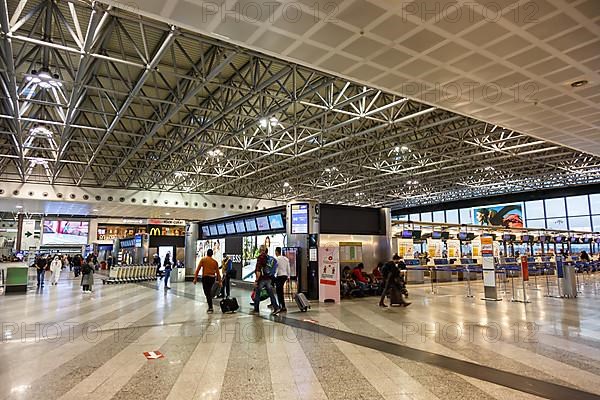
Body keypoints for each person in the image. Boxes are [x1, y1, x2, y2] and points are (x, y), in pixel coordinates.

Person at [251, 245, 281, 315]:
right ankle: (276, 307)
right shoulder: (268, 258)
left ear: (260, 250)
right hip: (268, 278)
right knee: (271, 293)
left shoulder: (260, 258)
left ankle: (256, 309)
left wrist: (256, 280)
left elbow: (258, 270)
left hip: (262, 279)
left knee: (257, 293)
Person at [193, 249, 222, 313]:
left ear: (207, 253)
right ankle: (210, 304)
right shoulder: (214, 262)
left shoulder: (203, 260)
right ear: (212, 254)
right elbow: (218, 273)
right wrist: (220, 281)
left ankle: (210, 307)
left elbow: (197, 270)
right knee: (208, 292)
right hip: (212, 278)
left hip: (205, 278)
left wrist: (195, 278)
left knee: (207, 292)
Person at [274, 247, 290, 312]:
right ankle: (282, 305)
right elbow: (288, 268)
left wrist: (274, 275)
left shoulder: (277, 259)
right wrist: (288, 276)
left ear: (277, 252)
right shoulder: (286, 259)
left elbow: (276, 268)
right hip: (285, 276)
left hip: (279, 276)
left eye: (275, 251)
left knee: (279, 291)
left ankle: (281, 306)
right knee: (280, 291)